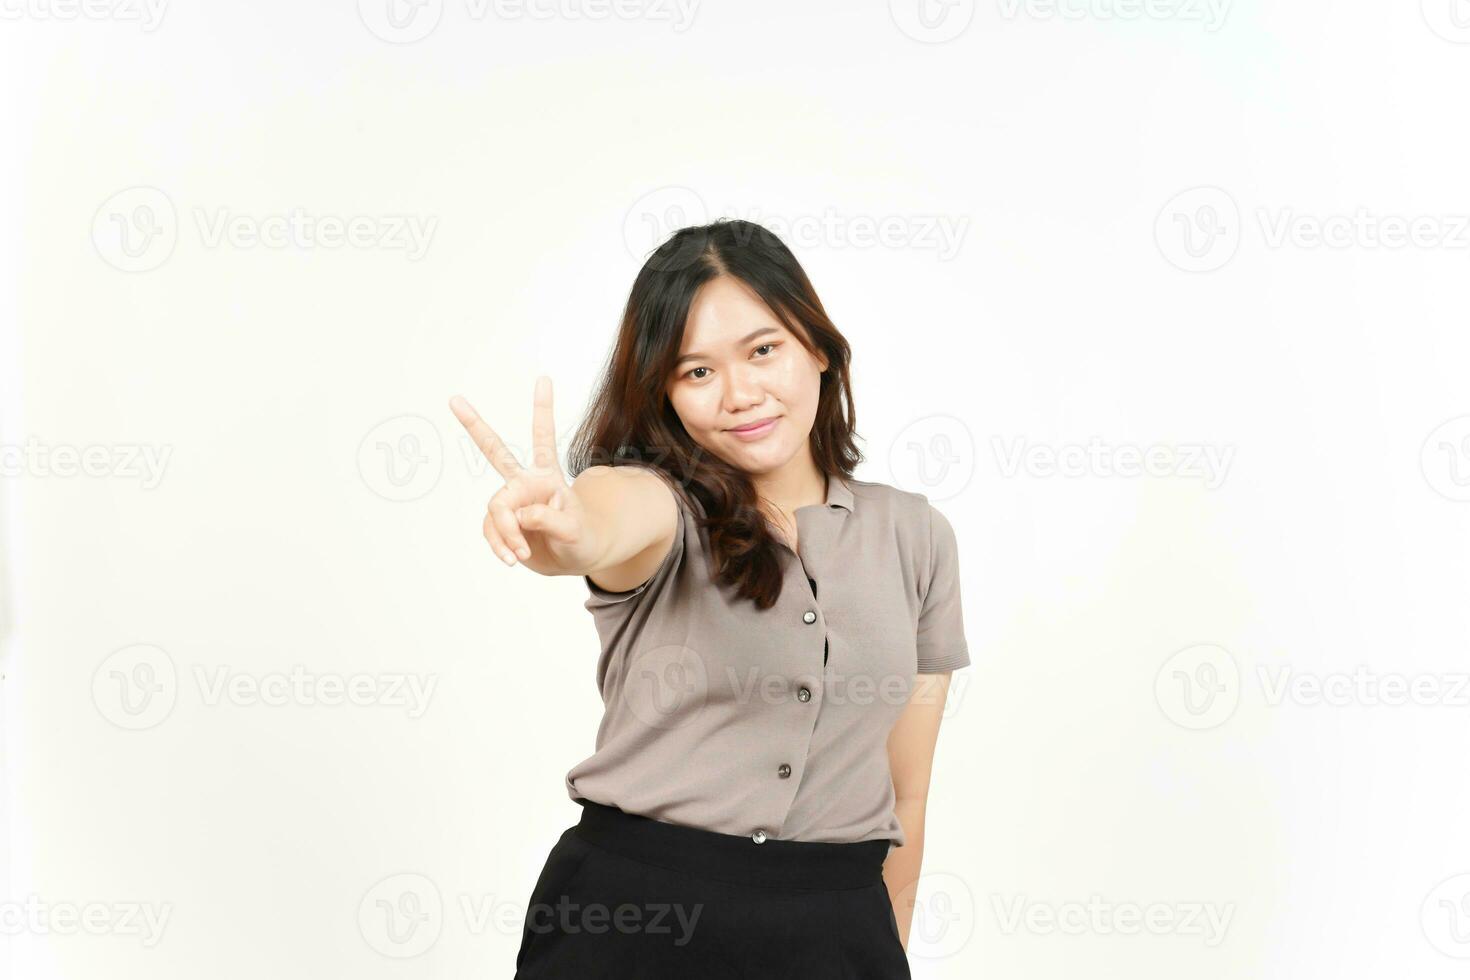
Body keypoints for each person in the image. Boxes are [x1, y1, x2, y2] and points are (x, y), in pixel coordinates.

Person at [449, 219, 971, 978]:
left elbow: (909, 796)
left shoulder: (916, 537)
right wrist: (563, 529)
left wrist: (886, 950)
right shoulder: (662, 508)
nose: (739, 394)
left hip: (837, 925)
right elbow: (603, 521)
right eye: (696, 371)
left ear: (817, 348)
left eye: (764, 351)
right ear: (664, 393)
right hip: (634, 921)